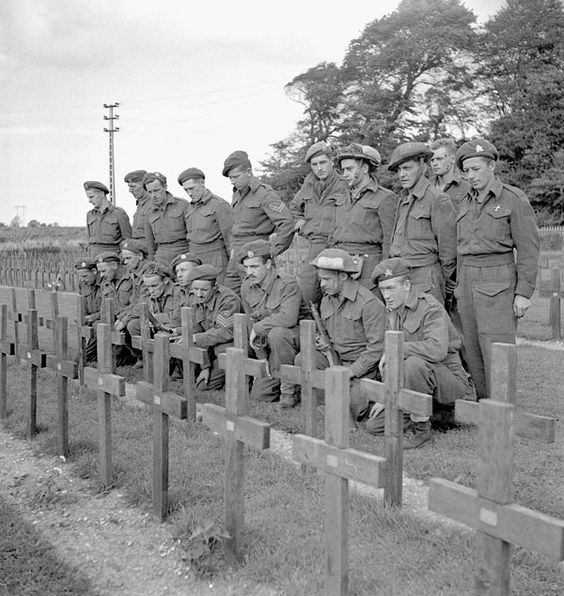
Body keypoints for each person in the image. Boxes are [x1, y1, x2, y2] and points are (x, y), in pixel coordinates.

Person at [454, 139, 539, 401]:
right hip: (468, 278)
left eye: (476, 169)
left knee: (497, 345)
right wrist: (458, 286)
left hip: (498, 278)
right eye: (466, 171)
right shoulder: (465, 201)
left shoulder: (513, 199)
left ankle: (503, 408)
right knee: (472, 348)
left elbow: (528, 248)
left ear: (492, 166)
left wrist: (523, 292)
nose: (471, 176)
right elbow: (461, 247)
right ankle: (483, 406)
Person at [369, 258, 470, 448]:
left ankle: (421, 431)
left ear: (407, 285)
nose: (386, 295)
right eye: (382, 290)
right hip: (414, 383)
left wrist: (396, 348)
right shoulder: (393, 312)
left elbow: (436, 349)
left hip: (449, 380)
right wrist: (387, 394)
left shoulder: (429, 307)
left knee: (414, 364)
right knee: (374, 425)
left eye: (391, 288)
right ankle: (436, 415)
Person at [294, 248, 386, 422]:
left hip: (362, 369)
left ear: (343, 276)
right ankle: (325, 404)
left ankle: (342, 403)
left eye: (327, 279)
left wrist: (351, 371)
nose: (322, 284)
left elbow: (377, 349)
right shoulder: (326, 301)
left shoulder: (369, 304)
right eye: (321, 279)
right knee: (303, 359)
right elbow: (328, 337)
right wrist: (323, 344)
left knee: (354, 406)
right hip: (334, 360)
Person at [387, 142, 457, 304]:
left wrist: (444, 281)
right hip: (400, 275)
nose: (402, 174)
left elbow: (448, 250)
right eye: (399, 170)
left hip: (425, 277)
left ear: (422, 166)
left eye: (407, 168)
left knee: (427, 325)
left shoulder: (437, 198)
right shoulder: (403, 197)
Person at [221, 150, 295, 294]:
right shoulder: (237, 194)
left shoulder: (264, 194)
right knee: (230, 296)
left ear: (248, 172)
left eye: (236, 176)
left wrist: (273, 251)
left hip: (254, 254)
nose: (232, 181)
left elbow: (287, 223)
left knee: (258, 296)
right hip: (236, 256)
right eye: (230, 178)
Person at [239, 240, 301, 406]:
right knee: (260, 395)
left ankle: (289, 388)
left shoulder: (287, 283)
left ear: (267, 264)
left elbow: (289, 318)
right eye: (246, 267)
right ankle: (281, 378)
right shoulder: (246, 286)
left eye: (254, 267)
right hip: (268, 345)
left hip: (292, 341)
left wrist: (259, 328)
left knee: (278, 333)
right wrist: (262, 358)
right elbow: (251, 320)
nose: (249, 272)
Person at [290, 141, 349, 305]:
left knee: (335, 289)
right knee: (307, 287)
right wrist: (301, 223)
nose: (319, 168)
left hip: (337, 245)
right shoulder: (308, 185)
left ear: (331, 162)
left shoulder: (344, 184)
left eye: (323, 162)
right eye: (314, 164)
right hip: (315, 244)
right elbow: (295, 207)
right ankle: (311, 326)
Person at [332, 144, 398, 289]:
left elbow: (390, 241)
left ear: (364, 168)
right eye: (343, 170)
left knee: (369, 308)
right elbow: (333, 234)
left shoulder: (385, 197)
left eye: (349, 169)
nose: (345, 174)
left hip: (369, 268)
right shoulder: (341, 196)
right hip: (341, 263)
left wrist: (384, 274)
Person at [180, 264, 241, 391]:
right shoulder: (193, 299)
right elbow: (196, 330)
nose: (199, 294)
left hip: (230, 346)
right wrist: (205, 367)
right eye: (195, 289)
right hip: (208, 346)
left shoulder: (228, 300)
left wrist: (196, 338)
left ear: (215, 287)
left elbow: (225, 332)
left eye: (204, 290)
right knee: (200, 385)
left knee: (204, 386)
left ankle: (239, 380)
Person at [178, 167, 233, 283]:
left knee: (218, 291)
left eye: (192, 188)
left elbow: (230, 238)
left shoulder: (219, 205)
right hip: (196, 258)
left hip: (215, 258)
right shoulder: (190, 207)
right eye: (186, 190)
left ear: (202, 184)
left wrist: (232, 266)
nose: (189, 193)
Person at [143, 172, 191, 266]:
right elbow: (150, 241)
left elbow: (192, 233)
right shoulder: (148, 212)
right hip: (161, 256)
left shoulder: (182, 205)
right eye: (150, 192)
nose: (153, 195)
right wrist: (152, 261)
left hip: (183, 253)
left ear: (165, 187)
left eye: (156, 190)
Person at [85, 181, 131, 257]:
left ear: (102, 194)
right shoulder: (90, 215)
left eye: (91, 197)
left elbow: (127, 240)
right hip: (93, 258)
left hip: (111, 259)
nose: (89, 201)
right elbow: (89, 241)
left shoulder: (119, 214)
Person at [429, 139, 471, 215]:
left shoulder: (467, 187)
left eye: (439, 159)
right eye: (432, 160)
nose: (434, 163)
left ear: (452, 159)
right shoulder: (427, 187)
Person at [75, 258, 101, 363]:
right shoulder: (83, 284)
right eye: (80, 277)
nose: (83, 280)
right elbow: (83, 305)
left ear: (94, 271)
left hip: (101, 321)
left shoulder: (105, 284)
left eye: (85, 276)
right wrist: (83, 317)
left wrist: (91, 318)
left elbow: (110, 310)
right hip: (91, 323)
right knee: (93, 357)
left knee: (83, 358)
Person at [124, 170, 151, 240]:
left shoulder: (153, 204)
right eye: (129, 187)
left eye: (133, 186)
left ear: (144, 186)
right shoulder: (140, 204)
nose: (130, 190)